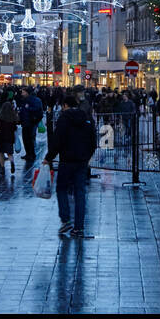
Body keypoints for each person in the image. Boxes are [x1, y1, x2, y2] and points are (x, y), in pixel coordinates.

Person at [45, 93, 96, 238]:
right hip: (81, 161)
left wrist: (48, 158)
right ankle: (79, 227)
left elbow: (57, 141)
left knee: (62, 188)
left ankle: (66, 219)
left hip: (66, 160)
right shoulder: (86, 118)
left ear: (65, 106)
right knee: (80, 192)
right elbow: (93, 140)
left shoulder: (64, 119)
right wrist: (87, 156)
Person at [0, 97, 19, 174]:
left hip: (1, 137)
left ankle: (2, 168)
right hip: (10, 137)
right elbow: (15, 127)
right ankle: (12, 162)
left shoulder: (0, 117)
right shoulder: (13, 117)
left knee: (1, 152)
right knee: (9, 152)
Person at [19, 87, 43, 162]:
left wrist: (28, 108)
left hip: (31, 122)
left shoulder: (34, 100)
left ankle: (31, 154)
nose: (22, 94)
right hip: (26, 121)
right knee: (26, 139)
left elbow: (37, 109)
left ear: (27, 92)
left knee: (29, 139)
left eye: (23, 92)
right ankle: (28, 154)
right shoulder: (26, 99)